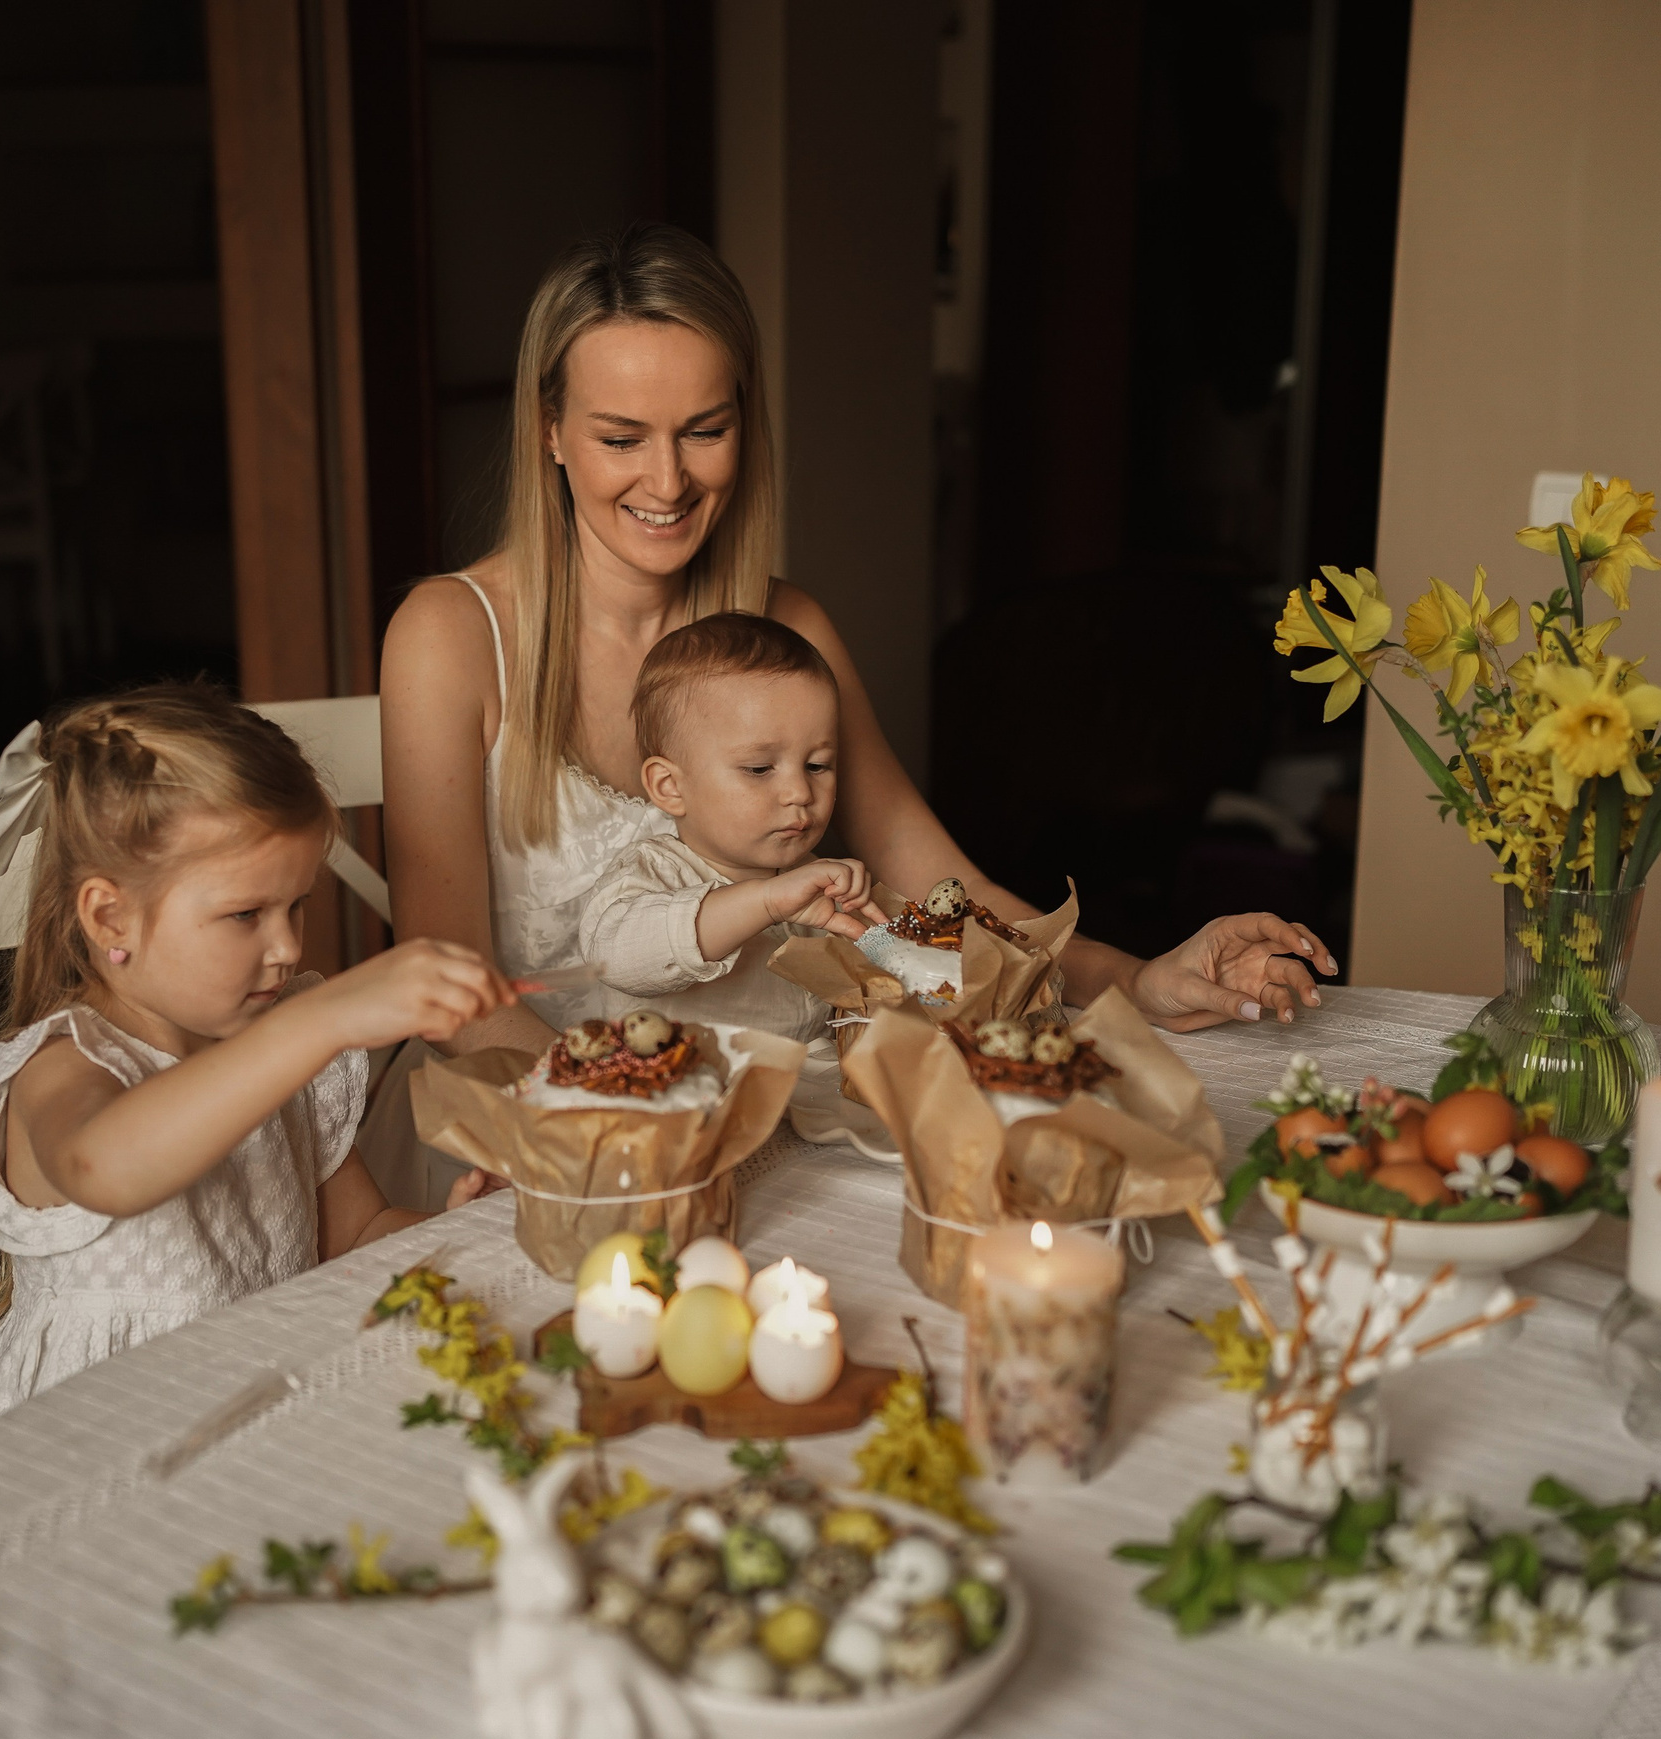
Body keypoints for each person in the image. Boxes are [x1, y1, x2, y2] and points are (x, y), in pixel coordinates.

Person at [367, 222, 1336, 1208]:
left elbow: (939, 891)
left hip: (769, 1129)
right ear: (549, 429)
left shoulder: (788, 626)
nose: (667, 483)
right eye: (621, 438)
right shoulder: (450, 635)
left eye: (704, 430)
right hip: (531, 1130)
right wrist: (640, 1120)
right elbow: (449, 993)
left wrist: (1139, 977)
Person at [0, 684, 513, 1454]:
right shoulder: (63, 1068)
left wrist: (455, 1233)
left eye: (296, 906)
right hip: (87, 1454)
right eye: (246, 915)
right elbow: (107, 1165)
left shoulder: (277, 1044)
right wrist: (319, 1020)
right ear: (111, 919)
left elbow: (354, 1231)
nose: (289, 948)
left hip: (256, 1412)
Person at [577, 611, 876, 1042]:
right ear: (670, 787)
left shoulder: (819, 880)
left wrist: (886, 946)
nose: (800, 792)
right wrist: (765, 903)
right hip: (684, 1097)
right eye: (758, 768)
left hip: (805, 1097)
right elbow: (618, 960)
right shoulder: (652, 873)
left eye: (817, 765)